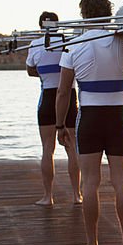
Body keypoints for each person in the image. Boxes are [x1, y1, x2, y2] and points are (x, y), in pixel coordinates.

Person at [55, 0, 123, 245]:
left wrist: (60, 125)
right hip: (118, 116)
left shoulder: (74, 45)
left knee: (90, 183)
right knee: (121, 182)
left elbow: (62, 92)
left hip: (90, 117)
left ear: (83, 15)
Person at [25, 11, 81, 207]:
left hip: (48, 98)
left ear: (41, 26)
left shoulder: (35, 45)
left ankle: (48, 196)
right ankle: (76, 195)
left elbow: (30, 70)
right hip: (69, 97)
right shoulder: (68, 43)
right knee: (72, 148)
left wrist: (44, 72)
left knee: (48, 149)